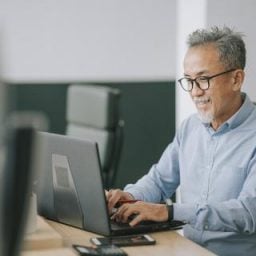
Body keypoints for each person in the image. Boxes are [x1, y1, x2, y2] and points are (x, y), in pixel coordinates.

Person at [107, 26, 256, 256]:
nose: (195, 92)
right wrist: (131, 196)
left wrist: (169, 212)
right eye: (189, 80)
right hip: (186, 250)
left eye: (203, 79)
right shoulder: (191, 127)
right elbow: (158, 181)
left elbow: (247, 213)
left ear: (236, 79)